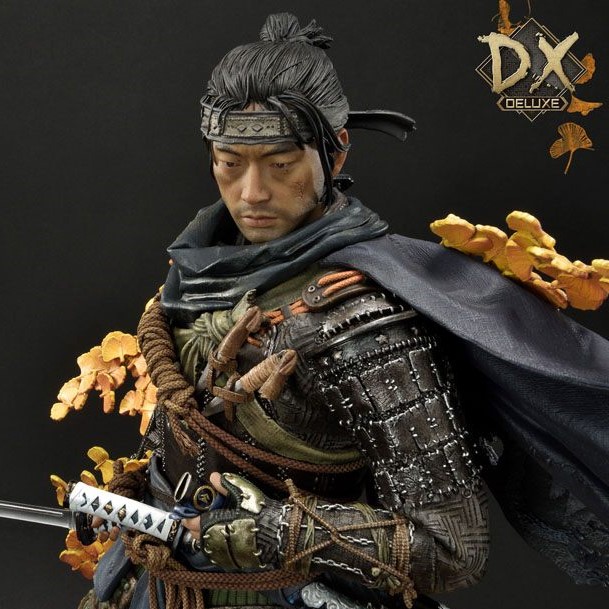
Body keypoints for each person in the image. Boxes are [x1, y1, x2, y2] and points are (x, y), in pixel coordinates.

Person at [80, 11, 609, 609]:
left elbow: (453, 546)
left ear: (334, 155)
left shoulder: (362, 325)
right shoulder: (195, 278)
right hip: (157, 581)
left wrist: (271, 532)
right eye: (229, 162)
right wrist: (136, 492)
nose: (251, 192)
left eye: (281, 165)